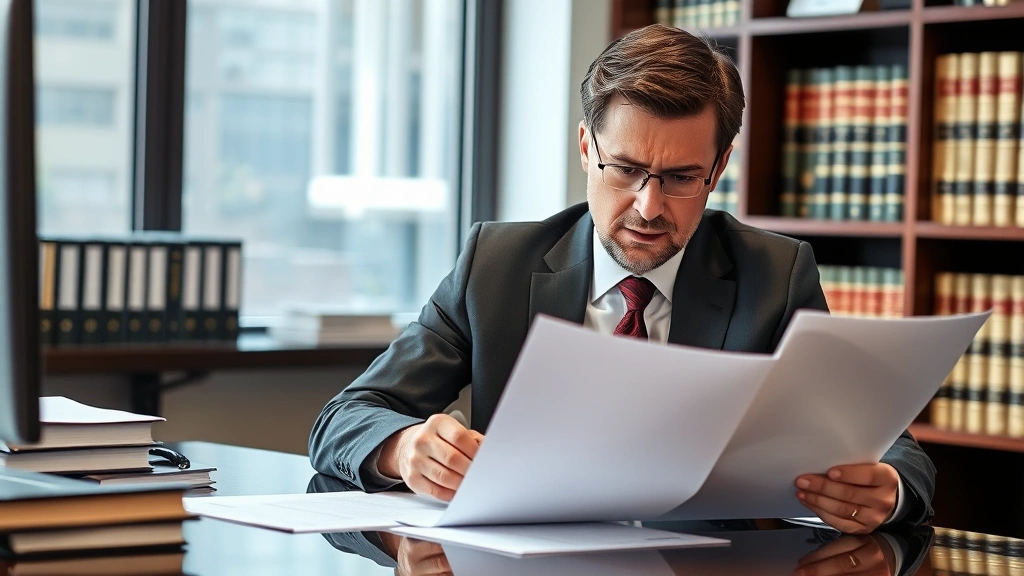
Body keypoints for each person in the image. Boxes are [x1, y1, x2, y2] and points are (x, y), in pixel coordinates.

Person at [308, 23, 936, 534]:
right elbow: (347, 416)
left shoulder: (773, 274)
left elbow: (891, 446)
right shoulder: (495, 264)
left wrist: (891, 489)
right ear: (586, 147)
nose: (647, 207)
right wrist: (404, 448)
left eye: (681, 178)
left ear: (716, 170)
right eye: (626, 169)